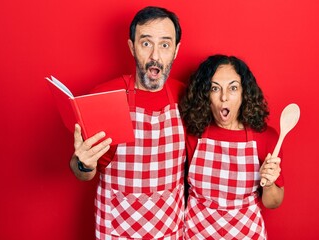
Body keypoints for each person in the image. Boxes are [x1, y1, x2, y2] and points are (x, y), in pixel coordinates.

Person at [69, 6, 186, 239]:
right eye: (146, 43)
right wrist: (83, 163)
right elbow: (82, 171)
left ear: (175, 50)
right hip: (117, 229)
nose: (155, 55)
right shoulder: (104, 96)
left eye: (164, 44)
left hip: (169, 230)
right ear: (132, 47)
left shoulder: (187, 97)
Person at [179, 54, 284, 239]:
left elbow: (273, 202)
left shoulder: (266, 137)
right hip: (197, 234)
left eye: (233, 88)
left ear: (244, 93)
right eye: (215, 88)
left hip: (247, 234)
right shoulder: (191, 134)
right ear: (205, 95)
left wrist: (268, 185)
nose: (224, 97)